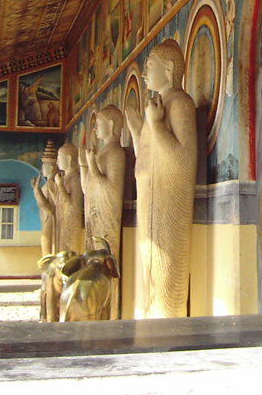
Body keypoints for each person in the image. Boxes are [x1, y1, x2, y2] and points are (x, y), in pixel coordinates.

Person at [125, 39, 197, 318]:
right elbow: (146, 159)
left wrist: (155, 125)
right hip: (148, 198)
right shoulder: (156, 106)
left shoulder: (180, 103)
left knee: (164, 275)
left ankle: (165, 329)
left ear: (169, 68)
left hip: (168, 202)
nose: (144, 73)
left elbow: (183, 159)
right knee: (147, 272)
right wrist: (137, 131)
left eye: (149, 65)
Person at [79, 105, 126, 282]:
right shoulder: (102, 153)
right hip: (94, 217)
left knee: (102, 267)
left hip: (106, 220)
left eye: (98, 123)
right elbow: (87, 189)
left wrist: (92, 165)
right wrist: (85, 164)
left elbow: (111, 190)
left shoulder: (116, 153)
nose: (95, 127)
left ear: (112, 124)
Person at [54, 141, 85, 255]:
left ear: (69, 159)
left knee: (69, 255)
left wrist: (60, 186)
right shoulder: (66, 177)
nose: (57, 162)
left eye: (59, 158)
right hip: (63, 221)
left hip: (71, 223)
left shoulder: (75, 178)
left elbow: (73, 206)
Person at [31, 139, 58, 257]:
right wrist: (37, 190)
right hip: (46, 220)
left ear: (52, 168)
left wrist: (37, 191)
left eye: (44, 167)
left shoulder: (53, 184)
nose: (42, 170)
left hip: (51, 220)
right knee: (46, 250)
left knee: (49, 250)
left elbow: (50, 208)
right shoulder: (46, 185)